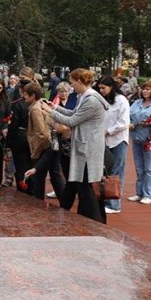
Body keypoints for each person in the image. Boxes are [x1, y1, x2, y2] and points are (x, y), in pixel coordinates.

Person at [41, 68, 109, 222]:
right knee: (84, 186)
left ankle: (95, 221)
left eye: (72, 83)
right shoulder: (85, 97)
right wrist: (55, 107)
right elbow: (73, 114)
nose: (71, 86)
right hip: (85, 147)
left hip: (88, 150)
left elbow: (72, 121)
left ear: (79, 81)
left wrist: (49, 112)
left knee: (86, 187)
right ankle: (92, 219)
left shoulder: (91, 100)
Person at [98, 75, 130, 214]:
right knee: (106, 170)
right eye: (100, 88)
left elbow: (124, 122)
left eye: (104, 88)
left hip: (118, 140)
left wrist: (108, 131)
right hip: (104, 140)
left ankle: (114, 204)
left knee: (115, 172)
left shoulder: (121, 100)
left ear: (111, 87)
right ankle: (106, 198)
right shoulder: (103, 100)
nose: (101, 91)